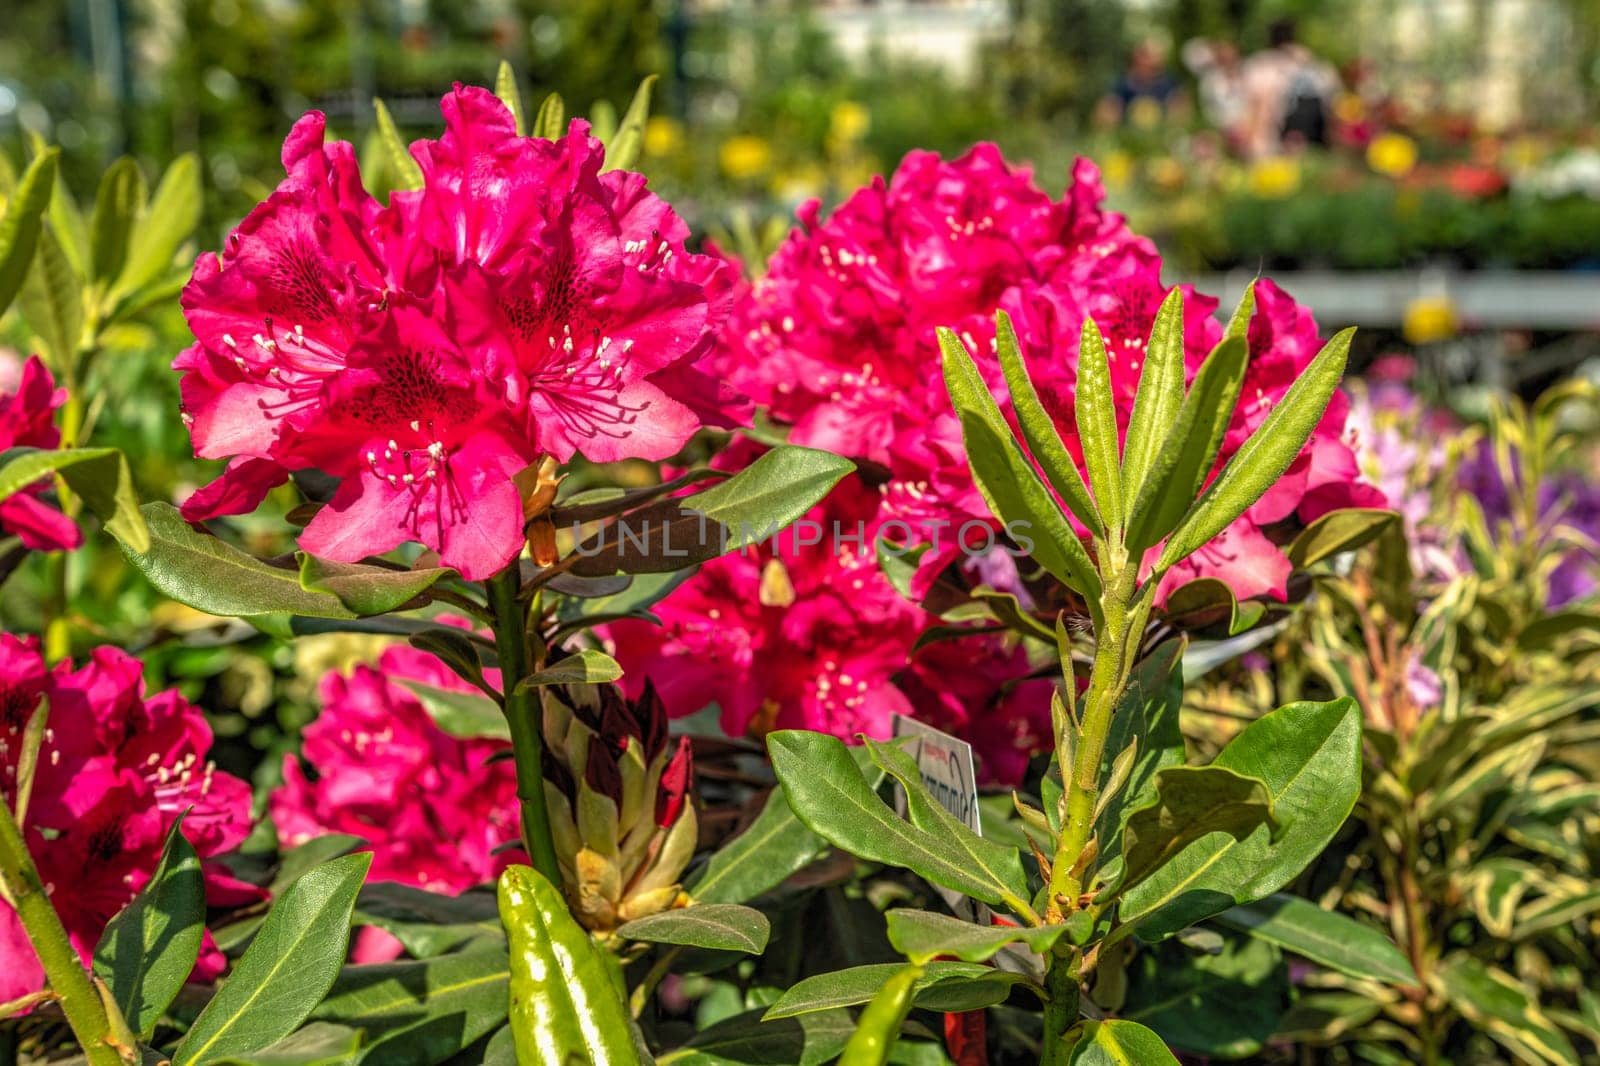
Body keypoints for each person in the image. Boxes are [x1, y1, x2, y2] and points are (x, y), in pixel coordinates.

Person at [1239, 18, 1340, 158]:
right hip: (1314, 141)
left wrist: (1253, 146)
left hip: (1275, 140)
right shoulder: (1317, 67)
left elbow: (1258, 106)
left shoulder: (1261, 66)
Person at [1098, 40, 1187, 128]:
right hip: (1129, 134)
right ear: (1136, 60)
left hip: (1161, 134)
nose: (1147, 65)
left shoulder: (1169, 84)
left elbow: (1182, 112)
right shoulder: (1122, 85)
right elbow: (1105, 112)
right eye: (1145, 57)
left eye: (1153, 68)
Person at [1182, 38, 1248, 147]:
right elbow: (1208, 110)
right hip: (1219, 130)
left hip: (1247, 129)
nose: (1228, 59)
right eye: (1223, 56)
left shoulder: (1248, 74)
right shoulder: (1209, 81)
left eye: (1231, 55)